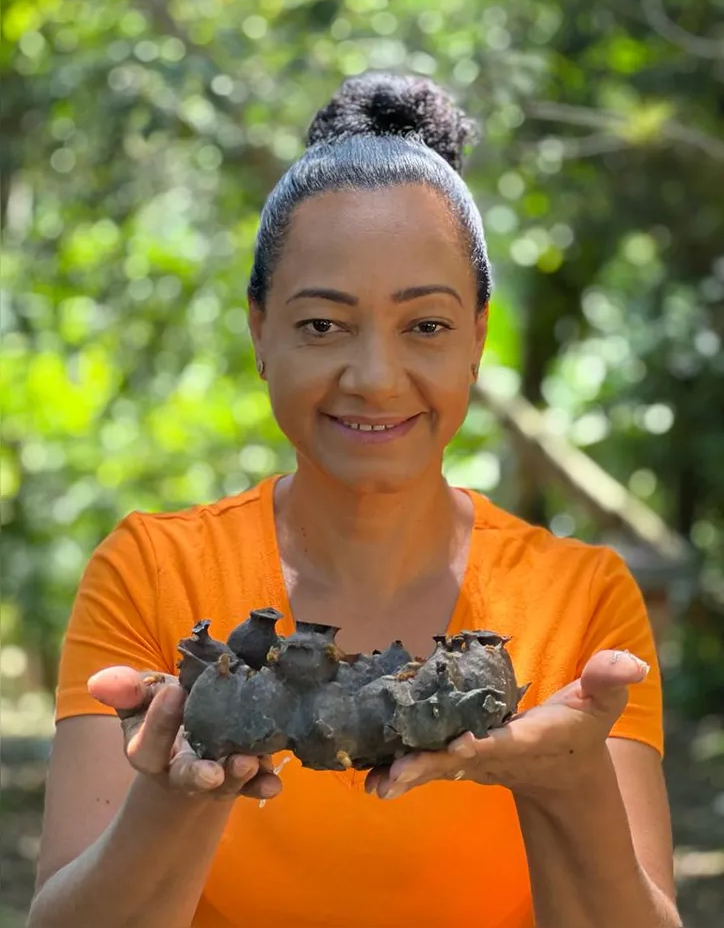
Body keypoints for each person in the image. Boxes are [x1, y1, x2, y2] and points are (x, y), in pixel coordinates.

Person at [29, 74, 682, 928]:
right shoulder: (154, 573)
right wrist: (181, 789)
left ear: (478, 336)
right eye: (322, 326)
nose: (374, 378)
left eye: (426, 326)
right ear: (259, 330)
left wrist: (571, 784)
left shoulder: (580, 600)